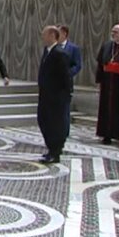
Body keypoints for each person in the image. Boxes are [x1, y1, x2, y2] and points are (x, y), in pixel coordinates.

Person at [37, 26, 72, 164]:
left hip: (56, 97)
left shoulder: (59, 53)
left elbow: (66, 77)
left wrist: (64, 96)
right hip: (45, 96)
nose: (42, 37)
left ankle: (55, 152)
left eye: (44, 34)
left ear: (52, 35)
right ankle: (51, 148)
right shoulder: (47, 51)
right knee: (43, 121)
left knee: (55, 124)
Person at [58, 24, 82, 138]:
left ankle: (64, 131)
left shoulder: (73, 48)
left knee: (64, 109)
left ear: (64, 34)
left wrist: (68, 73)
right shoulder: (53, 47)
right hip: (53, 84)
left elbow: (77, 65)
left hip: (65, 83)